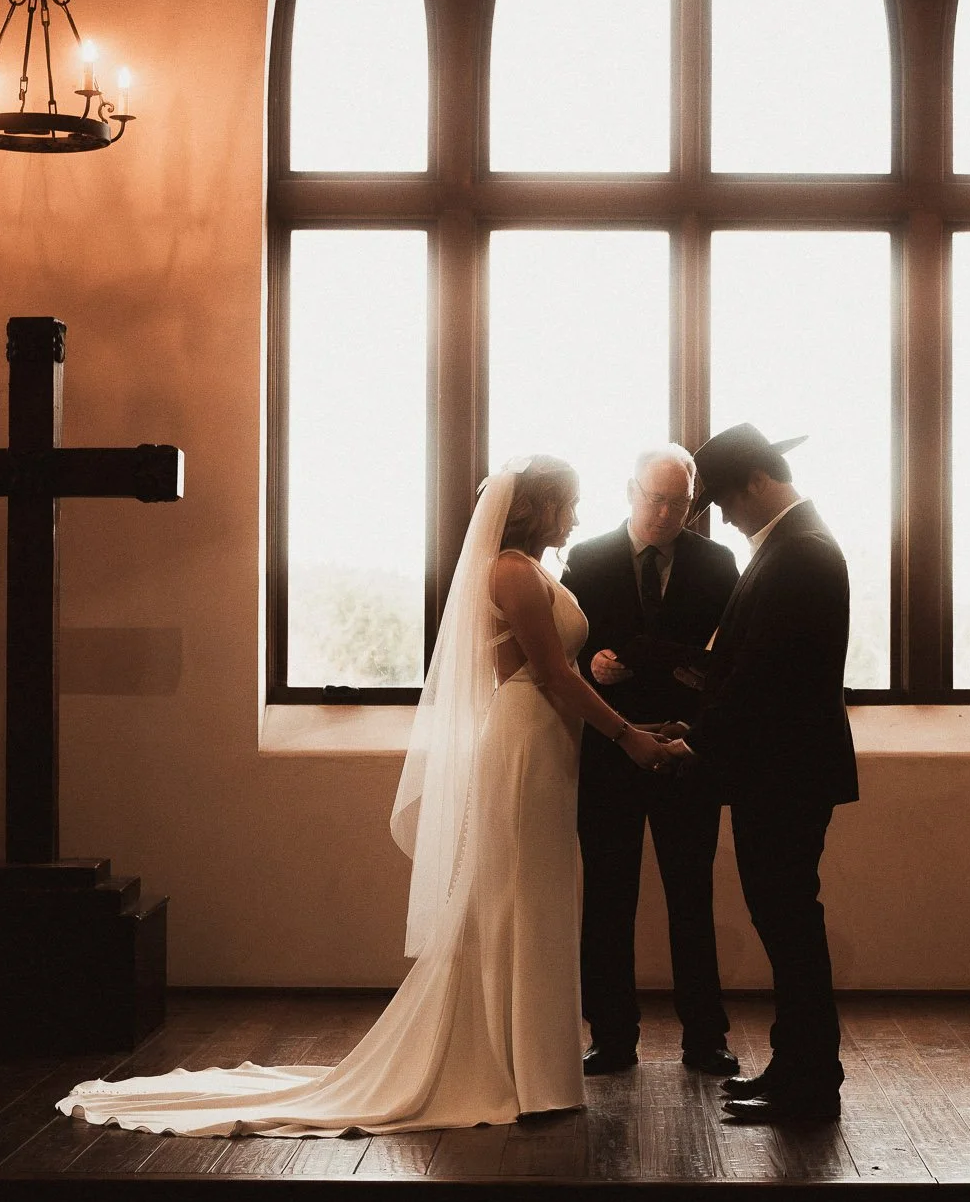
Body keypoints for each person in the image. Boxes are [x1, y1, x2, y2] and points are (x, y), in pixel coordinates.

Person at [56, 457, 686, 1138]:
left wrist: (635, 728)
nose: (577, 516)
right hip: (525, 744)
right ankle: (516, 1069)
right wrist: (627, 738)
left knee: (536, 893)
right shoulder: (509, 571)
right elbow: (555, 676)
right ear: (537, 507)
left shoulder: (533, 571)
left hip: (550, 744)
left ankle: (531, 1064)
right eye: (568, 503)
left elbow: (560, 682)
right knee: (516, 894)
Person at [680, 424, 858, 1128]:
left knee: (790, 927)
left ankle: (810, 1081)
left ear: (757, 483)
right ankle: (798, 1068)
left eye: (724, 502)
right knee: (787, 925)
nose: (723, 518)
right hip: (778, 772)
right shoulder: (791, 546)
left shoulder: (801, 553)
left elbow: (763, 678)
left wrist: (695, 741)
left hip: (783, 776)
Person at [561, 444, 740, 1077]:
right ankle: (610, 1036)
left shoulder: (719, 563)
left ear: (693, 502)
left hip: (686, 747)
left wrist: (677, 674)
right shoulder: (587, 558)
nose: (665, 513)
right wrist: (597, 666)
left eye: (679, 502)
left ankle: (705, 1039)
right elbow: (565, 655)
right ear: (630, 491)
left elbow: (728, 657)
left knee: (692, 896)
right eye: (653, 498)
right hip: (611, 748)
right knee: (608, 897)